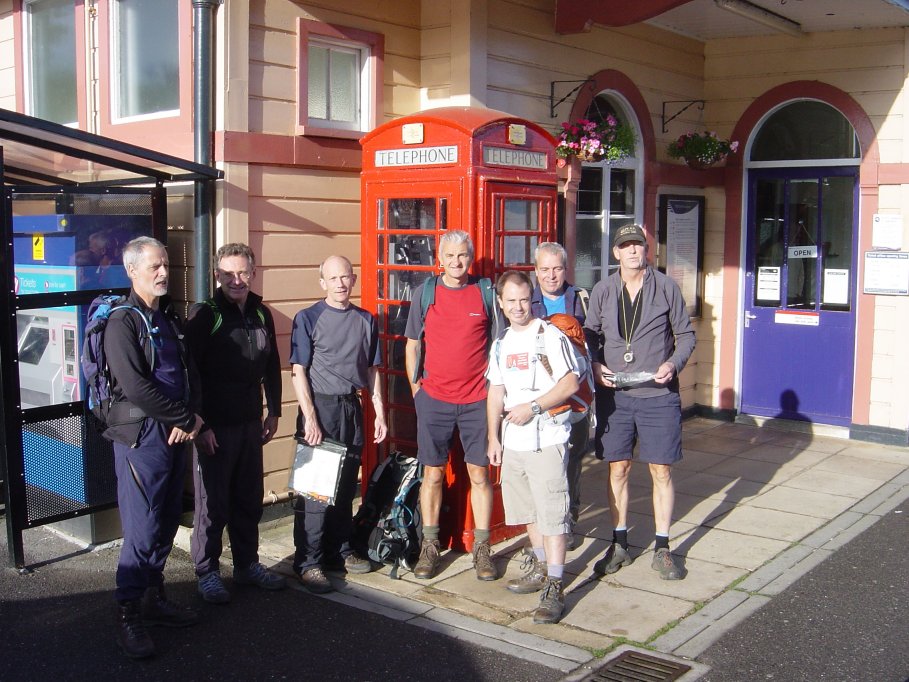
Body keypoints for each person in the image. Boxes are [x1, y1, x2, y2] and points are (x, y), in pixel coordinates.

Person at [103, 236, 203, 659]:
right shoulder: (122, 323)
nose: (163, 272)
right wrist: (183, 418)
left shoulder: (166, 319)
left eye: (165, 265)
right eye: (154, 267)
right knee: (142, 528)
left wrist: (189, 417)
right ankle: (129, 615)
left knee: (164, 521)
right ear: (132, 271)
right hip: (141, 439)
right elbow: (136, 387)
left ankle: (154, 598)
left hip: (173, 435)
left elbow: (188, 371)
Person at [583, 224, 695, 581]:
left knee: (660, 469)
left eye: (638, 246)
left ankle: (663, 547)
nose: (633, 251)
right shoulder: (603, 290)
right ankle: (619, 543)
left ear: (646, 251)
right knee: (618, 468)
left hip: (657, 395)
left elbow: (686, 335)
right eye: (625, 246)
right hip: (615, 396)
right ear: (616, 253)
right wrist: (595, 364)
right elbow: (589, 335)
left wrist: (672, 365)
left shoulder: (665, 287)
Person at [185, 243, 286, 604]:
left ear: (253, 272)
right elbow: (189, 372)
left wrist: (273, 411)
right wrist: (200, 425)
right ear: (217, 276)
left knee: (247, 500)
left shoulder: (261, 313)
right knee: (213, 504)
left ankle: (246, 565)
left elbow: (272, 365)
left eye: (242, 272)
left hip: (249, 423)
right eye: (228, 274)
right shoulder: (205, 314)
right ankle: (206, 571)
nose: (236, 280)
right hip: (214, 426)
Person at [404, 230, 499, 581]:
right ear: (439, 258)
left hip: (477, 400)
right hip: (435, 399)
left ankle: (482, 547)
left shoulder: (486, 292)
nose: (456, 262)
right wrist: (417, 392)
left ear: (469, 257)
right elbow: (412, 344)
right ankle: (430, 545)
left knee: (480, 474)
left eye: (462, 255)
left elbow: (500, 346)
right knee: (432, 473)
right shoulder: (425, 293)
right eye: (449, 256)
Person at [290, 255, 387, 593]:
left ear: (354, 279)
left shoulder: (366, 319)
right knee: (316, 492)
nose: (341, 284)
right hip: (321, 407)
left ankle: (339, 551)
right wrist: (311, 418)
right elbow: (298, 371)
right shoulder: (308, 318)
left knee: (346, 488)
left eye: (346, 277)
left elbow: (372, 370)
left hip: (351, 408)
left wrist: (379, 413)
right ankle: (308, 562)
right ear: (323, 283)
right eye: (333, 278)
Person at [486, 271, 579, 624]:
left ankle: (555, 584)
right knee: (529, 513)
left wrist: (535, 406)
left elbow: (570, 382)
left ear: (532, 298)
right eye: (510, 301)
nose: (518, 307)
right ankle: (541, 567)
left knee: (552, 514)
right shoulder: (502, 342)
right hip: (514, 443)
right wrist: (493, 437)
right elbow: (496, 391)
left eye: (523, 299)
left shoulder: (549, 336)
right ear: (501, 303)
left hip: (547, 438)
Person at [531, 242, 590, 548]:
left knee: (573, 461)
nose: (551, 275)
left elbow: (595, 342)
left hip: (577, 396)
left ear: (565, 269)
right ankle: (544, 521)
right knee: (543, 462)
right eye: (544, 269)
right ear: (535, 271)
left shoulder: (581, 299)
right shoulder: (526, 301)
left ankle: (569, 520)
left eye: (557, 268)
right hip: (540, 397)